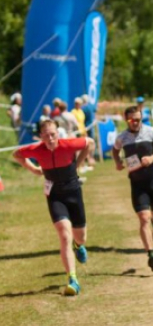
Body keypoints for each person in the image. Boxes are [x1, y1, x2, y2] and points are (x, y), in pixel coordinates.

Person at [13, 119, 93, 295]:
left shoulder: (68, 144)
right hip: (55, 195)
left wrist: (77, 163)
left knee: (80, 236)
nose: (50, 138)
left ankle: (79, 246)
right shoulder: (36, 149)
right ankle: (73, 279)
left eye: (53, 134)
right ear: (40, 136)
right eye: (46, 135)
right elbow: (16, 155)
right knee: (64, 234)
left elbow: (90, 143)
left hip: (73, 192)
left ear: (58, 133)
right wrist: (34, 169)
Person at [112, 105, 153, 272]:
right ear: (126, 120)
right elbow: (115, 151)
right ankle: (151, 254)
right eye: (132, 120)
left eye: (138, 119)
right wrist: (117, 162)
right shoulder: (122, 137)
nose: (135, 123)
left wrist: (152, 158)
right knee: (144, 218)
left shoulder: (151, 131)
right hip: (137, 183)